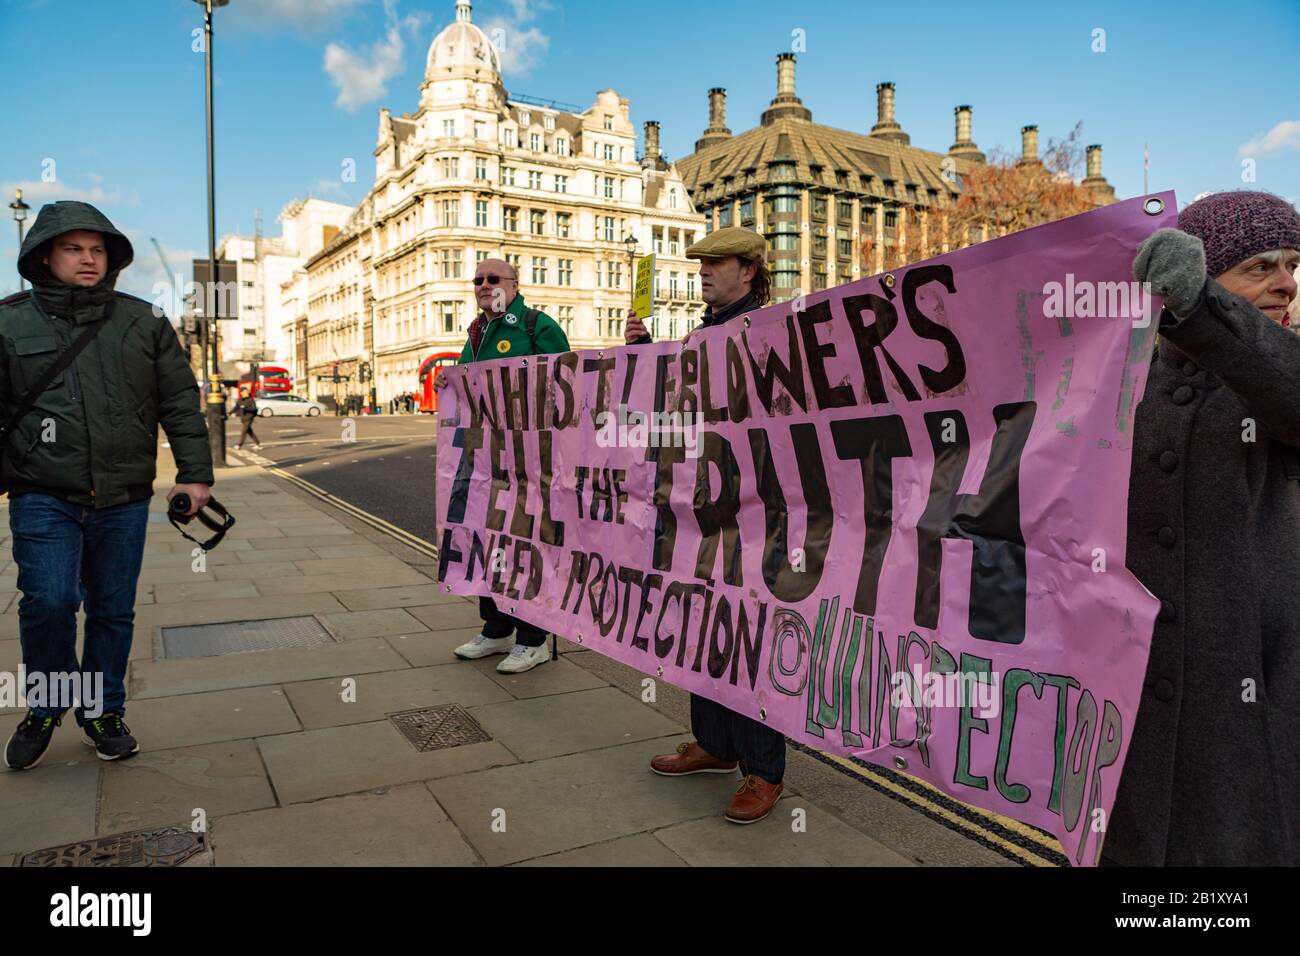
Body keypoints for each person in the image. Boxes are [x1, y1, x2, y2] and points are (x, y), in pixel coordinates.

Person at [1105, 190, 1300, 865]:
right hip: (1131, 688)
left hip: (1248, 698)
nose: (1288, 283)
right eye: (1262, 265)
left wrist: (1204, 312)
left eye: (1295, 264)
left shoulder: (1276, 368)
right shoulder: (1124, 372)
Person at [1, 201, 213, 770]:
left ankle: (100, 711)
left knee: (113, 608)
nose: (88, 259)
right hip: (43, 490)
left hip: (123, 494)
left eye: (97, 249)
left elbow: (179, 402)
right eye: (74, 248)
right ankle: (47, 703)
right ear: (46, 254)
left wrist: (194, 473)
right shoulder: (8, 321)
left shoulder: (144, 321)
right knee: (48, 602)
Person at [626, 226, 786, 824]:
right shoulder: (699, 336)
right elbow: (671, 405)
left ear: (749, 271)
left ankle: (763, 769)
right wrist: (645, 354)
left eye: (716, 262)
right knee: (700, 629)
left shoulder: (768, 330)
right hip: (697, 510)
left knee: (744, 638)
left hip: (750, 515)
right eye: (700, 262)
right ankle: (716, 746)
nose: (703, 270)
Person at [451, 257, 570, 674]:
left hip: (530, 459)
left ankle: (533, 639)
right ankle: (497, 628)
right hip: (486, 458)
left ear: (514, 285)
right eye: (478, 279)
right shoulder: (476, 331)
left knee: (527, 545)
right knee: (490, 542)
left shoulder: (536, 325)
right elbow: (467, 385)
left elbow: (568, 383)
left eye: (493, 278)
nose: (484, 285)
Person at [234, 385, 261, 450]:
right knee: (249, 431)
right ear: (241, 393)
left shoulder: (251, 400)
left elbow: (254, 409)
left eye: (246, 392)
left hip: (249, 418)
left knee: (244, 431)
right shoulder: (240, 400)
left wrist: (246, 409)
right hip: (243, 418)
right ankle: (257, 443)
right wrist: (229, 412)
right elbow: (236, 407)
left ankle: (239, 445)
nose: (245, 393)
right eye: (243, 392)